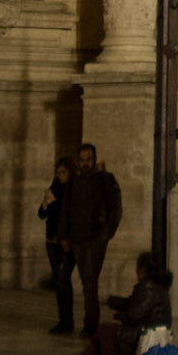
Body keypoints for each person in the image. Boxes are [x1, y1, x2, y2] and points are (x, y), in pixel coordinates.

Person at [57, 250, 171, 355]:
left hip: (143, 336)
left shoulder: (148, 287)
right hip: (144, 333)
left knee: (104, 330)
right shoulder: (156, 286)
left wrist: (119, 316)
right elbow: (133, 303)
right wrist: (112, 301)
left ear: (142, 269)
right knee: (100, 341)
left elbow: (134, 313)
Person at [61, 142, 122, 337]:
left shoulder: (104, 179)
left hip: (96, 237)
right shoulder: (74, 182)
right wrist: (64, 235)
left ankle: (91, 322)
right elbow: (66, 208)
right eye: (82, 160)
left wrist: (107, 233)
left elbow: (115, 207)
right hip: (78, 237)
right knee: (86, 279)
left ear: (94, 159)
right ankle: (90, 321)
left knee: (89, 278)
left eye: (88, 159)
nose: (85, 163)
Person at [39, 157, 75, 334]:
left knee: (62, 279)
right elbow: (41, 214)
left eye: (63, 172)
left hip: (66, 243)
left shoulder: (73, 189)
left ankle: (67, 320)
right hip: (51, 241)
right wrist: (46, 203)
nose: (60, 175)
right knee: (60, 282)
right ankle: (64, 320)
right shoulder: (54, 187)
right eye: (58, 172)